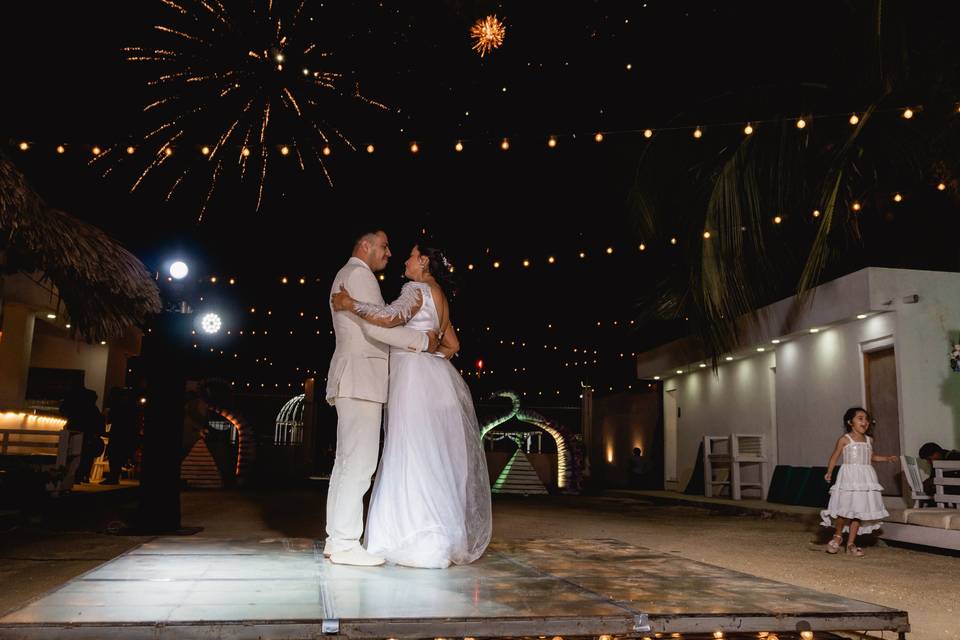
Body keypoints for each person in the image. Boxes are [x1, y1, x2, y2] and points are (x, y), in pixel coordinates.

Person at [332, 243, 492, 568]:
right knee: (432, 454)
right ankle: (439, 535)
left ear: (423, 262)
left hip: (413, 380)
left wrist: (351, 303)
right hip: (437, 379)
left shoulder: (415, 288)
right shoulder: (440, 297)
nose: (404, 260)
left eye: (410, 255)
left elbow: (390, 317)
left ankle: (411, 536)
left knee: (409, 452)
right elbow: (453, 345)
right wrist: (430, 356)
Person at [323, 229, 439, 567]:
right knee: (359, 464)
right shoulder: (359, 275)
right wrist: (421, 342)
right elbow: (376, 327)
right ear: (366, 246)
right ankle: (345, 543)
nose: (389, 254)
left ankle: (337, 539)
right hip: (361, 379)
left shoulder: (349, 274)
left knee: (348, 464)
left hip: (355, 379)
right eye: (385, 247)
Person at [820, 407, 897, 556]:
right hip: (849, 476)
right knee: (844, 509)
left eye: (866, 419)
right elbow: (835, 456)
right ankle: (837, 537)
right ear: (850, 422)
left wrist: (886, 458)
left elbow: (871, 456)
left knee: (858, 511)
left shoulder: (869, 440)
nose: (865, 422)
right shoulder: (845, 439)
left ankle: (851, 543)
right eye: (860, 418)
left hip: (865, 477)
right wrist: (829, 471)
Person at [61, 385, 106, 484]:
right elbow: (99, 423)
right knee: (87, 457)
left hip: (79, 434)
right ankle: (83, 476)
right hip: (89, 436)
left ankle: (75, 476)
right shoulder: (94, 409)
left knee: (77, 455)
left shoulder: (78, 408)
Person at [102, 386, 141, 485]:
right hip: (125, 434)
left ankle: (113, 476)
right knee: (118, 455)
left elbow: (111, 419)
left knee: (113, 455)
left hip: (117, 433)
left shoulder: (118, 406)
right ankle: (114, 476)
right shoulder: (132, 406)